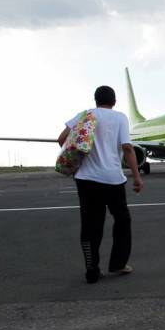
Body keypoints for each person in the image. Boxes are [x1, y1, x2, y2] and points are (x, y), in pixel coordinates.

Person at [57, 86, 144, 284]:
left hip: (86, 180)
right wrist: (137, 177)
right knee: (122, 220)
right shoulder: (120, 117)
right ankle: (118, 263)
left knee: (90, 226)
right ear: (114, 101)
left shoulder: (84, 115)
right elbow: (127, 147)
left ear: (95, 100)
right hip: (113, 179)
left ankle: (91, 268)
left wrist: (75, 164)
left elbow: (62, 139)